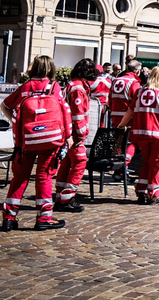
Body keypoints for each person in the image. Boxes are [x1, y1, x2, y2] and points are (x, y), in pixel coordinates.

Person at [0, 55, 72, 231]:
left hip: (26, 140)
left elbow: (4, 106)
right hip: (50, 139)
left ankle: (9, 217)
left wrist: (18, 124)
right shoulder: (54, 87)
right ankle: (43, 218)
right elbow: (64, 111)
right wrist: (67, 136)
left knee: (20, 177)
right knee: (44, 176)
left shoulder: (25, 87)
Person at [118, 66, 159, 205]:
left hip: (141, 133)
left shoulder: (140, 92)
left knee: (147, 161)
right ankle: (153, 193)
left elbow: (130, 111)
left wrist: (121, 125)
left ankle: (141, 190)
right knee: (157, 164)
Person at [54, 58, 100, 213]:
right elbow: (78, 115)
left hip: (68, 134)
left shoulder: (72, 85)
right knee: (79, 162)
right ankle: (67, 197)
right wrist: (80, 136)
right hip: (74, 134)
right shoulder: (78, 89)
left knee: (66, 163)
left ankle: (61, 195)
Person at [109, 59, 142, 178]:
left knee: (118, 143)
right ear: (137, 71)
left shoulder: (116, 80)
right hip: (128, 118)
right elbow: (135, 102)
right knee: (132, 143)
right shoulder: (134, 83)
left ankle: (118, 170)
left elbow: (110, 98)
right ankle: (123, 166)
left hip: (115, 116)